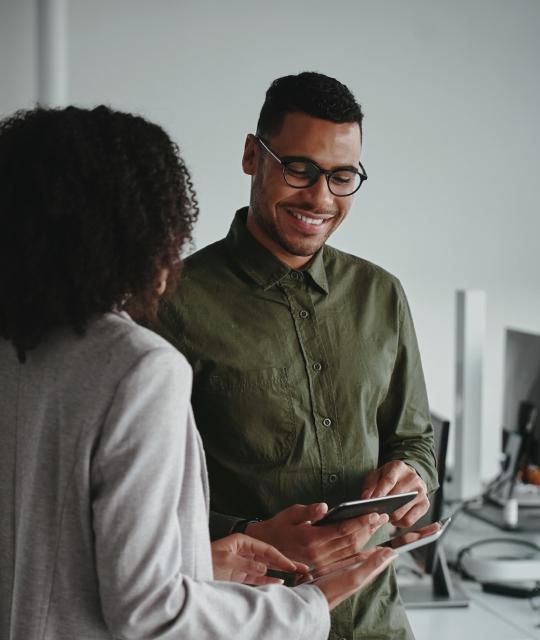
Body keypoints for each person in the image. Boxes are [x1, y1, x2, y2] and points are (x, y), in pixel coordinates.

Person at [0, 105, 396, 640]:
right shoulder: (137, 367)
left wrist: (198, 561)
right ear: (148, 223)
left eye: (341, 176)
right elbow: (150, 612)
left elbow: (56, 552)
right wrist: (309, 606)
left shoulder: (19, 348)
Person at [157, 71, 439, 639]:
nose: (319, 198)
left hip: (376, 620)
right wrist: (250, 532)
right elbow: (144, 497)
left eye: (341, 177)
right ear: (250, 156)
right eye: (299, 169)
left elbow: (414, 440)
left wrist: (413, 478)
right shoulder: (169, 301)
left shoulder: (381, 294)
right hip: (245, 621)